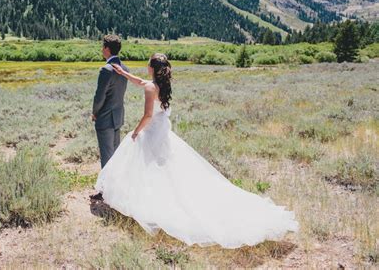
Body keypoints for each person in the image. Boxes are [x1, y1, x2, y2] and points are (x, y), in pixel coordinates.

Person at [93, 53, 299, 248]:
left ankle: (152, 206)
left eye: (148, 64)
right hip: (162, 133)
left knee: (149, 168)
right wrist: (124, 73)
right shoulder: (161, 85)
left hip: (151, 133)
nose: (146, 67)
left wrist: (136, 132)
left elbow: (148, 115)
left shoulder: (150, 88)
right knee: (162, 169)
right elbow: (141, 82)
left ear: (152, 68)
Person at [91, 35, 128, 201]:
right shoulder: (125, 68)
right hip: (117, 117)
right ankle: (116, 187)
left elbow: (100, 97)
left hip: (105, 118)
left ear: (107, 49)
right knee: (114, 154)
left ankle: (106, 192)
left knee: (107, 155)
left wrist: (95, 112)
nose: (101, 49)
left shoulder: (106, 69)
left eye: (102, 47)